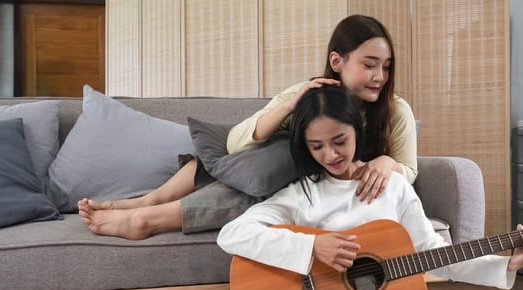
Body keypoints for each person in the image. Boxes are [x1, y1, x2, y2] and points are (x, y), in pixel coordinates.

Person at [195, 86, 523, 290]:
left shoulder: (392, 187)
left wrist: (507, 265)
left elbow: (434, 253)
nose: (330, 154)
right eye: (316, 146)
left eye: (339, 141)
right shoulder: (304, 193)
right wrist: (313, 246)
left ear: (356, 132)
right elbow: (233, 233)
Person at [78, 14, 418, 240]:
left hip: (318, 190)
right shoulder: (307, 97)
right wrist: (288, 106)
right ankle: (147, 202)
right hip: (264, 166)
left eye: (386, 67)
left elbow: (409, 170)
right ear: (336, 62)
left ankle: (145, 219)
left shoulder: (394, 110)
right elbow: (236, 142)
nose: (379, 77)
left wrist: (389, 163)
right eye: (369, 65)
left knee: (263, 178)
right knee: (254, 160)